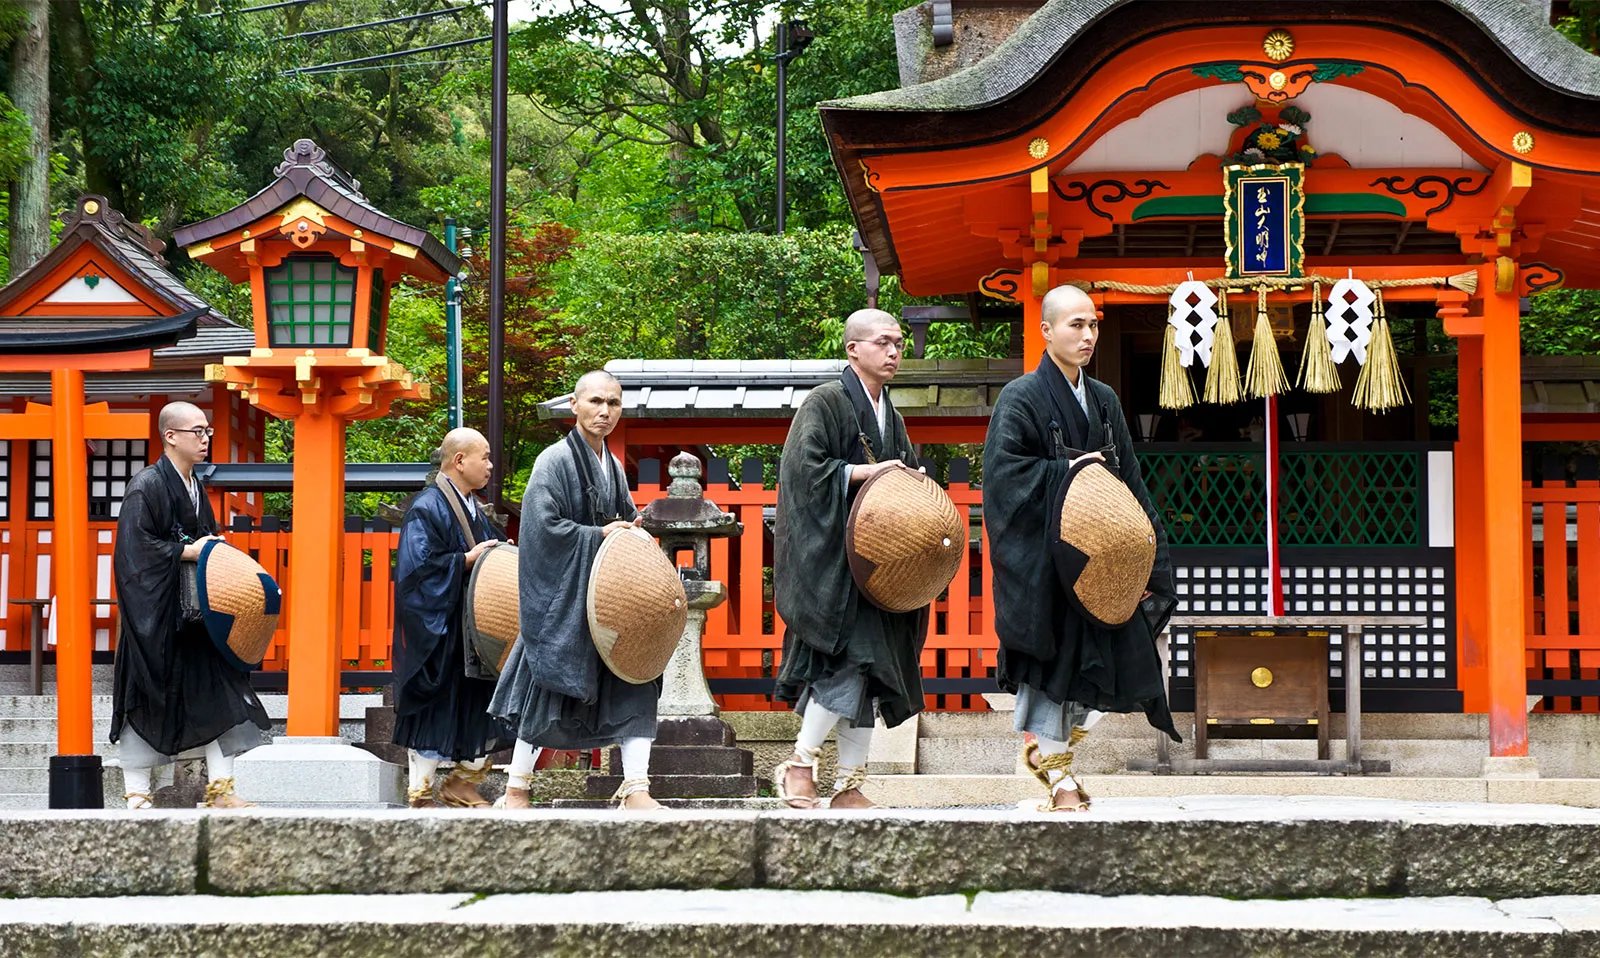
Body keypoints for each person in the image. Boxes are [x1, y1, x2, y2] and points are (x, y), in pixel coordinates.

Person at [983, 285, 1179, 813]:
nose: (1088, 335)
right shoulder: (1020, 397)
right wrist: (1063, 471)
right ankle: (1061, 778)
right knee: (1054, 666)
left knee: (1120, 663)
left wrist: (1148, 554)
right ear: (1046, 330)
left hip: (1102, 564)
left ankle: (1050, 758)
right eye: (1075, 325)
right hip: (1048, 562)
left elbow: (1130, 484)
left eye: (1092, 325)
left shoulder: (1106, 400)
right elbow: (1003, 479)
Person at [769, 308, 929, 809]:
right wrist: (862, 474)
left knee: (872, 675)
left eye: (899, 343)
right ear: (852, 349)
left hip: (881, 569)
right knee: (846, 666)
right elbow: (802, 474)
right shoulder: (825, 402)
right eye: (883, 342)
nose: (894, 351)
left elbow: (898, 479)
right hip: (837, 568)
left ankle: (850, 784)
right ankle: (800, 764)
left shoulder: (893, 416)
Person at [489, 370, 660, 810]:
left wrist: (630, 531)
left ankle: (636, 787)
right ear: (575, 405)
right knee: (545, 687)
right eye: (596, 402)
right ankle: (516, 788)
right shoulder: (553, 461)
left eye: (614, 404)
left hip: (610, 600)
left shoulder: (614, 467)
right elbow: (542, 529)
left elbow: (620, 520)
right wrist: (598, 536)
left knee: (634, 676)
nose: (605, 412)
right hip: (563, 597)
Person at [110, 402, 269, 809]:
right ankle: (137, 792)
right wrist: (187, 551)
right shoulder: (146, 485)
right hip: (158, 619)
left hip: (198, 620)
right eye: (196, 431)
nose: (204, 439)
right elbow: (135, 552)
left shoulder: (195, 487)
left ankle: (221, 790)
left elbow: (204, 543)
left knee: (224, 695)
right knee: (146, 698)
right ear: (170, 436)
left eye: (207, 431)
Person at [391, 427, 510, 808]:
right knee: (435, 705)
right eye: (485, 457)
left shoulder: (472, 506)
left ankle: (461, 783)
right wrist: (466, 560)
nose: (491, 465)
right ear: (459, 461)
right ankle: (420, 790)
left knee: (479, 702)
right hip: (441, 630)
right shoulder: (428, 506)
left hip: (470, 629)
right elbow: (417, 569)